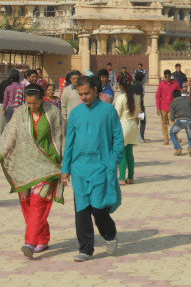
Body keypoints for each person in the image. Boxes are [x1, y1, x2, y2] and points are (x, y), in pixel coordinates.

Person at [0, 84, 63, 257]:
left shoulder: (53, 113)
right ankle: (43, 238)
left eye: (34, 103)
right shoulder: (20, 113)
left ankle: (30, 243)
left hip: (48, 165)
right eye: (28, 103)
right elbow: (9, 135)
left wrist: (65, 164)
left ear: (42, 99)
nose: (31, 106)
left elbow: (62, 138)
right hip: (24, 166)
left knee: (39, 202)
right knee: (28, 204)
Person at [61, 76, 124, 262]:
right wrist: (66, 168)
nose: (84, 97)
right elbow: (70, 142)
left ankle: (110, 235)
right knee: (81, 211)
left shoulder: (108, 111)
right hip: (80, 169)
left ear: (95, 90)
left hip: (101, 168)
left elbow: (118, 139)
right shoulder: (75, 113)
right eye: (80, 94)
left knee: (98, 209)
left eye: (87, 93)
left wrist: (113, 162)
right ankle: (86, 249)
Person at [113, 76, 140, 185]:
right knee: (130, 153)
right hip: (133, 125)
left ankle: (122, 177)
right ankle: (131, 177)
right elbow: (138, 113)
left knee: (122, 153)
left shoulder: (121, 98)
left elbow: (117, 113)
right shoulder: (136, 97)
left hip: (123, 125)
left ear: (121, 86)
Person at [169, 89, 191, 156]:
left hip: (180, 121)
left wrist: (175, 116)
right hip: (190, 120)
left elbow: (172, 119)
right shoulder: (188, 100)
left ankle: (178, 148)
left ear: (173, 96)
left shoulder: (173, 104)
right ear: (180, 94)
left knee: (172, 133)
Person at [156, 70, 179, 145]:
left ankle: (175, 138)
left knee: (173, 124)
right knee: (164, 124)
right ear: (164, 77)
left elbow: (178, 94)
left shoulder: (175, 84)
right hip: (163, 107)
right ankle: (166, 139)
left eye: (168, 76)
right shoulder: (161, 84)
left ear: (170, 76)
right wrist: (158, 108)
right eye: (166, 77)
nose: (167, 78)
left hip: (172, 107)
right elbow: (158, 96)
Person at [0, 69, 20, 134]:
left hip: (5, 106)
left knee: (3, 126)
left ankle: (1, 140)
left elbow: (0, 96)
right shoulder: (20, 86)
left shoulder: (5, 84)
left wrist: (0, 106)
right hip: (17, 107)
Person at [131, 66, 148, 142]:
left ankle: (133, 137)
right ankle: (141, 137)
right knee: (143, 122)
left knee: (135, 122)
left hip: (133, 105)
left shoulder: (133, 84)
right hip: (139, 106)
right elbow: (139, 97)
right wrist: (140, 108)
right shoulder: (139, 86)